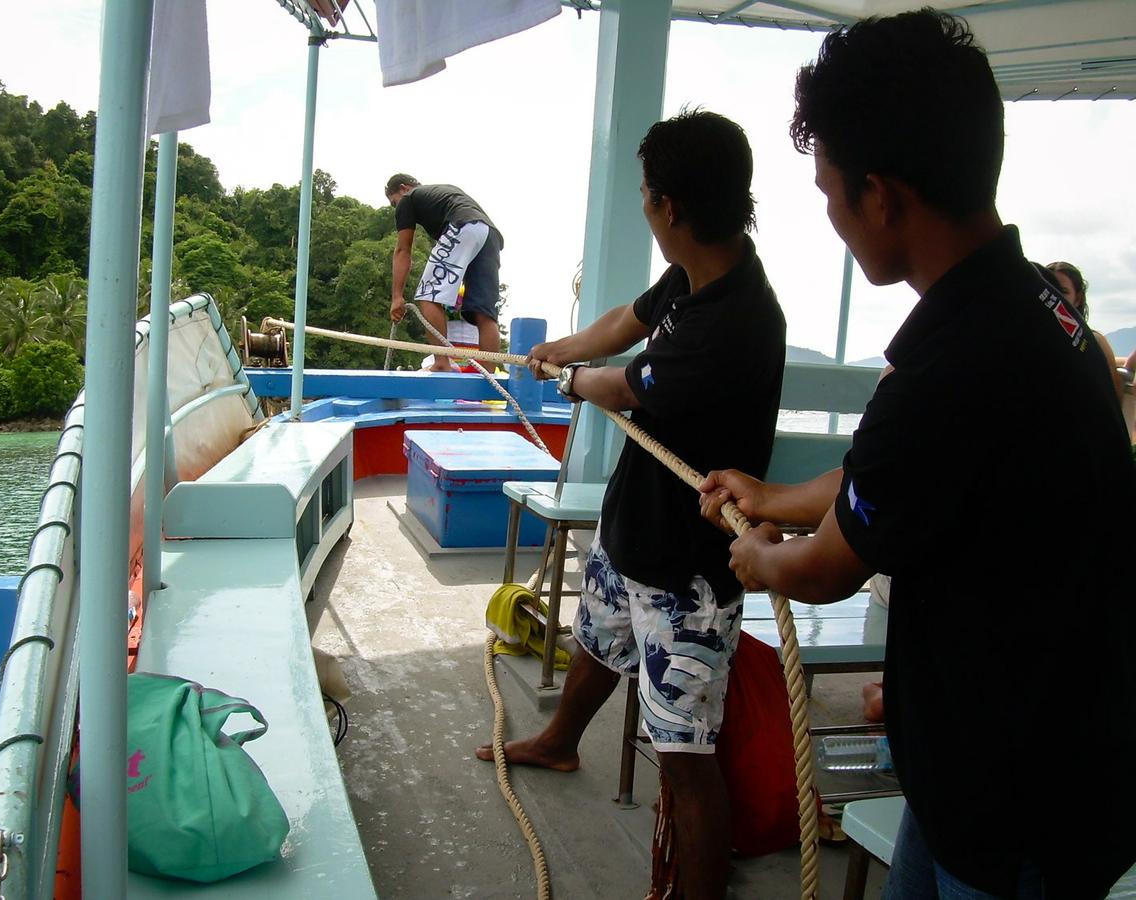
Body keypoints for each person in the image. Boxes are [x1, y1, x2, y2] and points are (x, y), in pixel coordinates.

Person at [699, 10, 1135, 899]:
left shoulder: (949, 371)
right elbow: (894, 479)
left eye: (830, 194)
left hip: (1017, 813)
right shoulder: (1045, 316)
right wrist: (772, 495)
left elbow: (827, 570)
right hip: (996, 767)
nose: (832, 218)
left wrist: (758, 556)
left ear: (882, 196)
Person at [475, 109, 786, 899]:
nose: (645, 204)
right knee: (599, 637)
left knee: (686, 760)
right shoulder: (699, 269)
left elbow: (626, 385)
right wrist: (563, 349)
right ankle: (558, 740)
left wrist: (574, 381)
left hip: (689, 577)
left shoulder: (736, 321)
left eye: (647, 193)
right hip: (635, 536)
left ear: (667, 206)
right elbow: (627, 324)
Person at [385, 174, 504, 372]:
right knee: (484, 312)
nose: (396, 208)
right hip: (489, 233)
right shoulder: (441, 193)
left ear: (404, 188)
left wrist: (397, 297)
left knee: (428, 295)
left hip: (463, 225)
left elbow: (403, 250)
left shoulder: (409, 198)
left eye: (393, 202)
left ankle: (441, 363)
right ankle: (489, 374)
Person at [1045, 260, 1125, 402]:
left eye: (1063, 292)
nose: (1056, 297)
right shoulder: (1031, 339)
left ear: (1078, 299)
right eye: (1050, 289)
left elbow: (1113, 398)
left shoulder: (1094, 342)